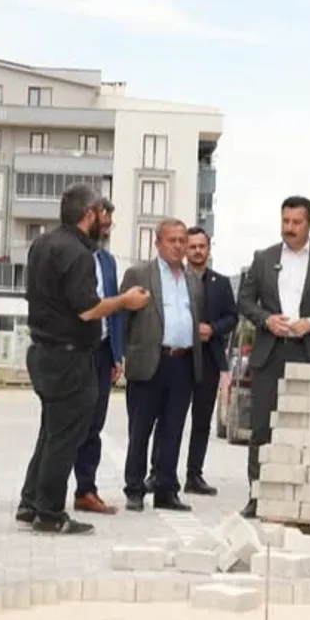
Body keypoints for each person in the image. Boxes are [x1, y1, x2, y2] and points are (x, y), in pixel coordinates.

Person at [16, 184, 150, 534]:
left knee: (51, 432)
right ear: (89, 214)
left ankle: (30, 502)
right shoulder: (78, 254)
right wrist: (125, 301)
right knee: (65, 437)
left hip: (43, 352)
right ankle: (49, 513)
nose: (106, 219)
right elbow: (87, 310)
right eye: (102, 213)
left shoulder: (42, 244)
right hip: (69, 358)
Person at [237, 195, 310, 518]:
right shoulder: (264, 258)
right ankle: (257, 496)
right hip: (271, 353)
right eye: (285, 221)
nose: (289, 228)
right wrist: (266, 320)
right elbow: (245, 301)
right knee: (262, 428)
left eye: (296, 222)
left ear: (309, 224)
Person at [121, 219, 203, 512]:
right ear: (158, 243)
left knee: (173, 430)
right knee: (140, 430)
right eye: (172, 240)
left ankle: (166, 490)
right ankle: (134, 489)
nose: (178, 246)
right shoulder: (139, 274)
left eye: (182, 240)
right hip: (150, 361)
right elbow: (123, 319)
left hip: (183, 363)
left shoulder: (193, 279)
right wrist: (124, 354)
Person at [72, 198, 126, 515]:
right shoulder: (70, 255)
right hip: (74, 350)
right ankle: (46, 492)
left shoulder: (108, 261)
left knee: (95, 424)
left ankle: (86, 489)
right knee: (69, 423)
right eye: (103, 223)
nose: (106, 230)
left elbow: (115, 308)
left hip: (102, 352)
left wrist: (117, 354)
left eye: (110, 226)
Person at [180, 225, 237, 496]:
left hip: (210, 359)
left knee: (202, 421)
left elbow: (232, 317)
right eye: (192, 247)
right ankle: (158, 473)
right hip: (180, 357)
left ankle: (194, 475)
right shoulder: (175, 280)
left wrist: (213, 329)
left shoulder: (221, 283)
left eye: (201, 246)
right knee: (171, 419)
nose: (197, 251)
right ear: (185, 250)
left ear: (209, 248)